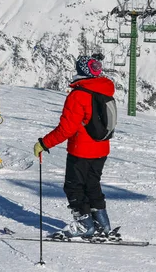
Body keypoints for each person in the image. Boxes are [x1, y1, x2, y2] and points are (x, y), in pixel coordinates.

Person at [33, 53, 115, 238]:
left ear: (80, 71)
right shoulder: (104, 91)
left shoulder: (79, 95)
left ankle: (85, 226)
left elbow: (66, 129)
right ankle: (103, 224)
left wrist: (44, 143)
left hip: (81, 151)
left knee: (74, 187)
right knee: (92, 185)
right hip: (101, 149)